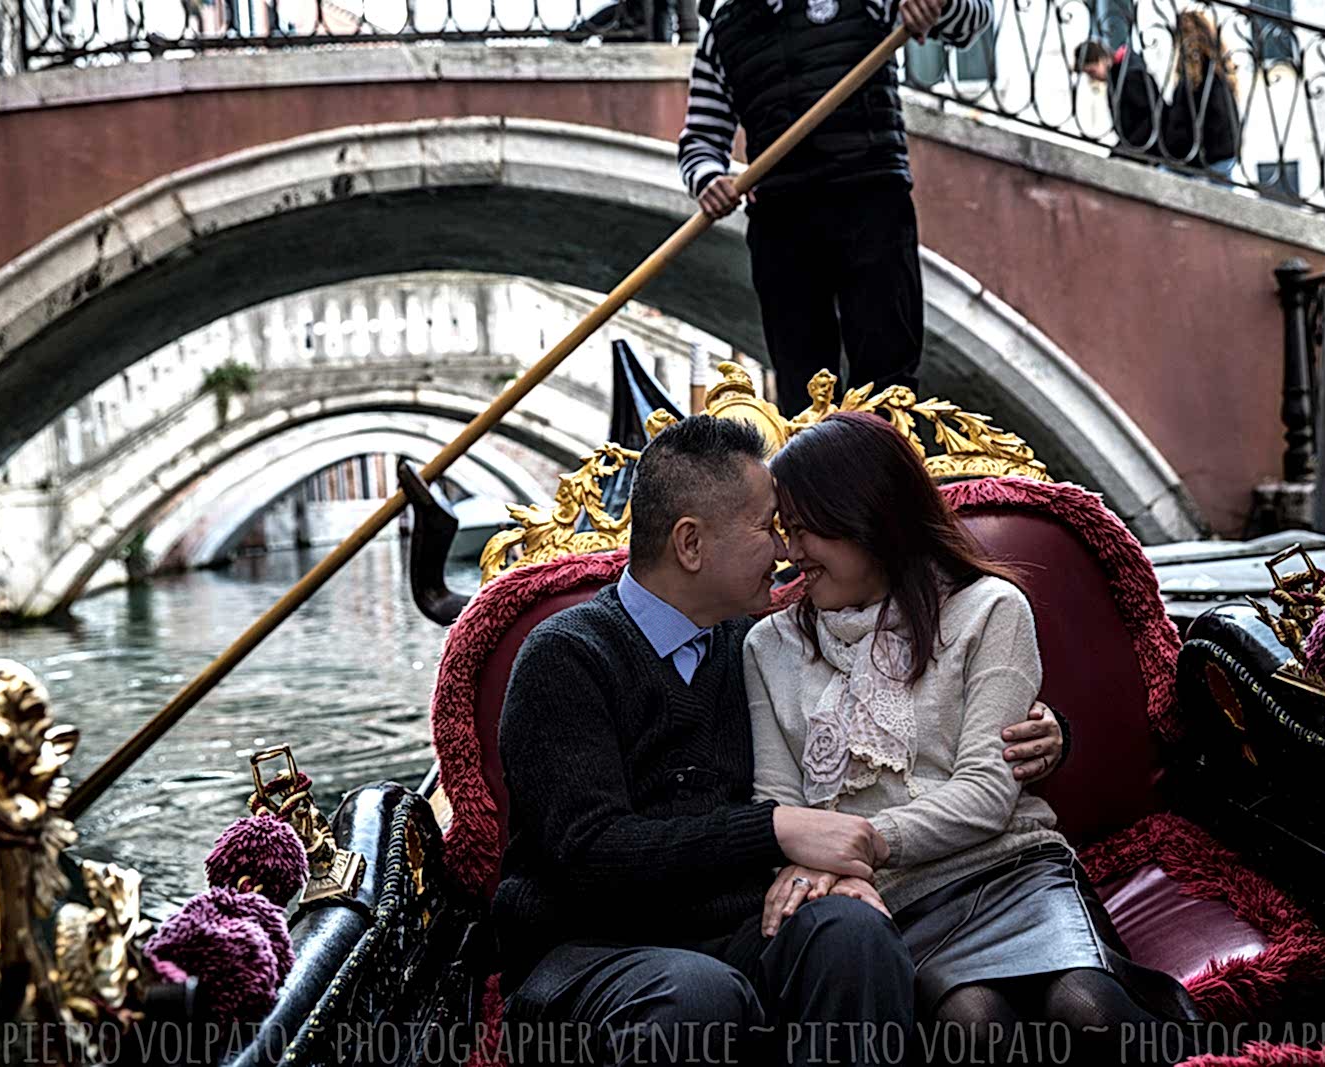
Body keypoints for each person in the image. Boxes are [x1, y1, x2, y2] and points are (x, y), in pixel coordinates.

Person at [494, 414, 1066, 1065]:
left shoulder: (751, 644)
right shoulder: (567, 656)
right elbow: (589, 850)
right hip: (589, 953)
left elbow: (888, 704)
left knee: (853, 930)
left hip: (733, 933)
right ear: (691, 545)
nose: (785, 549)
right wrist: (776, 832)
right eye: (769, 526)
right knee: (697, 994)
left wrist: (1052, 733)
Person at [745, 411, 1201, 1066]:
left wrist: (864, 839)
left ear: (869, 517)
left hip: (1012, 871)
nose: (792, 551)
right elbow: (777, 804)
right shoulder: (769, 643)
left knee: (1090, 1008)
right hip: (893, 902)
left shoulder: (991, 609)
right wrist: (818, 855)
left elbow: (988, 792)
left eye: (806, 527)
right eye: (784, 529)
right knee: (973, 1022)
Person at [676, 0, 991, 417]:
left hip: (871, 203)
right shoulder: (723, 33)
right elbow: (700, 140)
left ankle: (884, 475)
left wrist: (939, 4)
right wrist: (708, 180)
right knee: (803, 391)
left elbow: (971, 22)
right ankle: (814, 478)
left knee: (888, 379)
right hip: (782, 223)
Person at [1162, 11, 1241, 180]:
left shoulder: (1195, 78)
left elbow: (1183, 122)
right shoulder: (1218, 69)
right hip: (1224, 154)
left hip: (1205, 159)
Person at [1074, 38, 1165, 159]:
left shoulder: (1131, 75)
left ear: (1102, 59)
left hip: (1146, 146)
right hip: (1137, 144)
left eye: (1092, 72)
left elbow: (1150, 118)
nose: (1093, 78)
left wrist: (1126, 150)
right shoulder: (1117, 75)